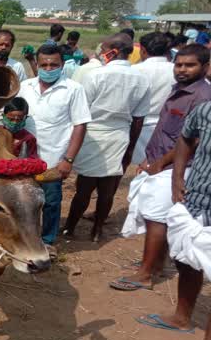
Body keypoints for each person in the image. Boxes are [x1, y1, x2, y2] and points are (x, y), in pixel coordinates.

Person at [115, 45, 211, 291]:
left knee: (156, 218)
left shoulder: (202, 97)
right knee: (157, 216)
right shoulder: (179, 90)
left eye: (190, 65)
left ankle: (145, 274)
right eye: (179, 64)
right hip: (162, 162)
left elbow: (192, 139)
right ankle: (155, 263)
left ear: (205, 67)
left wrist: (162, 163)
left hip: (178, 166)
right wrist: (150, 157)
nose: (182, 69)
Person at [134, 99, 211, 340]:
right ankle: (181, 317)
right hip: (196, 200)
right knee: (186, 261)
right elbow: (186, 139)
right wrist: (177, 177)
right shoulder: (205, 110)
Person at [63, 33, 151, 241]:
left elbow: (82, 111)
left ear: (114, 51)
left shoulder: (96, 76)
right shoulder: (141, 79)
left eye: (104, 50)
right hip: (120, 136)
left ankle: (70, 228)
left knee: (84, 188)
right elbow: (138, 119)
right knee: (107, 190)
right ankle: (98, 230)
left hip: (93, 135)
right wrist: (130, 148)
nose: (101, 54)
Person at [18, 43, 91, 250]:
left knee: (51, 202)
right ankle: (27, 238)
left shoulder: (73, 89)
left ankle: (48, 241)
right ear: (37, 64)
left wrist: (68, 159)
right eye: (44, 65)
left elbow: (80, 125)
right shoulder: (25, 86)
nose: (48, 69)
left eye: (53, 65)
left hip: (54, 158)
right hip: (25, 158)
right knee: (25, 202)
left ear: (62, 64)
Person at [131, 32, 176, 164]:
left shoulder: (135, 70)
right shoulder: (175, 70)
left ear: (143, 50)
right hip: (168, 124)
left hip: (138, 124)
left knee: (135, 168)